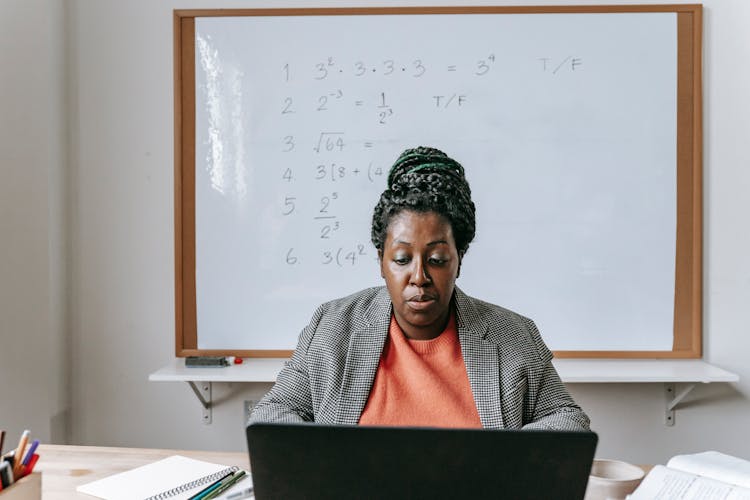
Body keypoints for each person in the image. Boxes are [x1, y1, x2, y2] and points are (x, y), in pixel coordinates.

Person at [250, 146, 589, 430]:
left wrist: (495, 462)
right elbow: (271, 414)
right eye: (401, 258)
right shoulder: (333, 325)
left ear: (459, 259)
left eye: (438, 259)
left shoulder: (512, 334)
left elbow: (567, 420)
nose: (419, 276)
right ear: (381, 261)